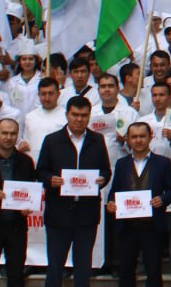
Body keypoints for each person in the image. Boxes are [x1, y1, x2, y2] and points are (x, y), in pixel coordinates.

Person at [36, 95, 111, 287]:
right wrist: (50, 180)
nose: (79, 119)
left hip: (86, 213)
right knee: (55, 266)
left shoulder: (97, 140)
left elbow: (106, 170)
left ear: (89, 116)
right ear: (67, 114)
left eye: (84, 115)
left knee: (83, 267)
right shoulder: (52, 140)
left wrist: (102, 180)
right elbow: (41, 170)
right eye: (75, 115)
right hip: (58, 212)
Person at [106, 122, 171, 287]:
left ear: (150, 137)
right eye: (134, 137)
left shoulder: (163, 163)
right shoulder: (122, 164)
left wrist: (163, 199)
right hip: (127, 225)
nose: (138, 140)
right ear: (128, 139)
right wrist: (111, 203)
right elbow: (115, 190)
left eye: (142, 136)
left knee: (153, 270)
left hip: (152, 224)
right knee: (126, 270)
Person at [0, 118, 35, 287]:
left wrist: (28, 206)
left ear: (17, 135)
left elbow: (31, 191)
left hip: (16, 227)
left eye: (13, 133)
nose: (8, 137)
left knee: (16, 275)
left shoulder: (26, 161)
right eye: (4, 133)